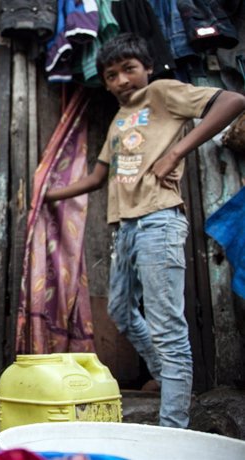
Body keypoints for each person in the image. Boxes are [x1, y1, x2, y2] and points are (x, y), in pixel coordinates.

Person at [45, 33, 245, 428]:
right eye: (112, 75)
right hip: (126, 228)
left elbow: (233, 101)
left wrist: (175, 151)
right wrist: (51, 194)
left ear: (147, 68)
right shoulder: (119, 119)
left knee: (166, 321)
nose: (121, 80)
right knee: (121, 309)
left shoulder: (163, 93)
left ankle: (174, 426)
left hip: (160, 220)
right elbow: (98, 176)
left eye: (129, 69)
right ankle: (164, 374)